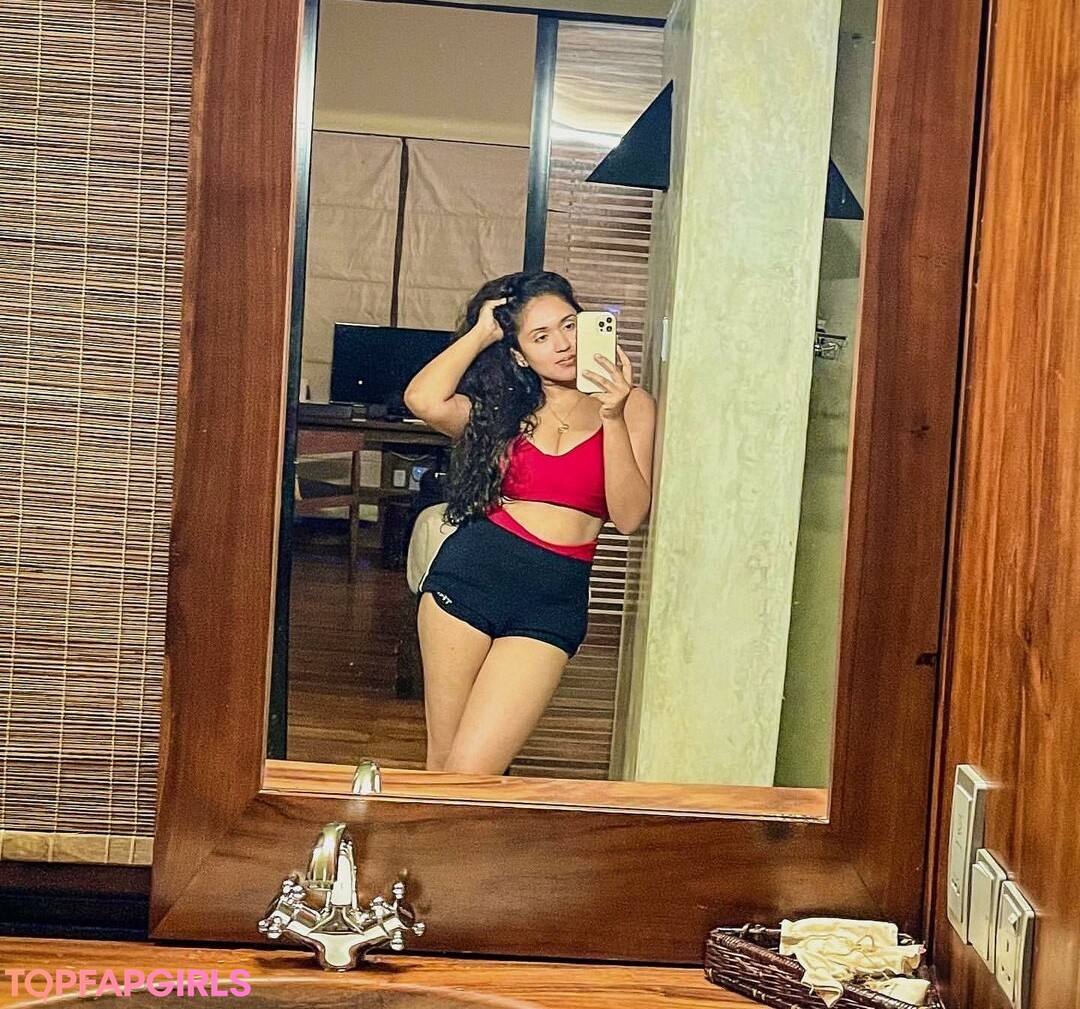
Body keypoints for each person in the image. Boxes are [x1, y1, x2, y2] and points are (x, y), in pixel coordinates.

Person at [403, 271, 655, 774]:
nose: (563, 344)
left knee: (473, 773)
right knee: (442, 767)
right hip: (468, 579)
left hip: (551, 600)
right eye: (540, 336)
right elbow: (424, 400)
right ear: (519, 354)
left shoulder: (633, 406)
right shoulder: (502, 411)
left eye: (569, 325)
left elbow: (629, 517)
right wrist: (482, 332)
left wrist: (611, 415)